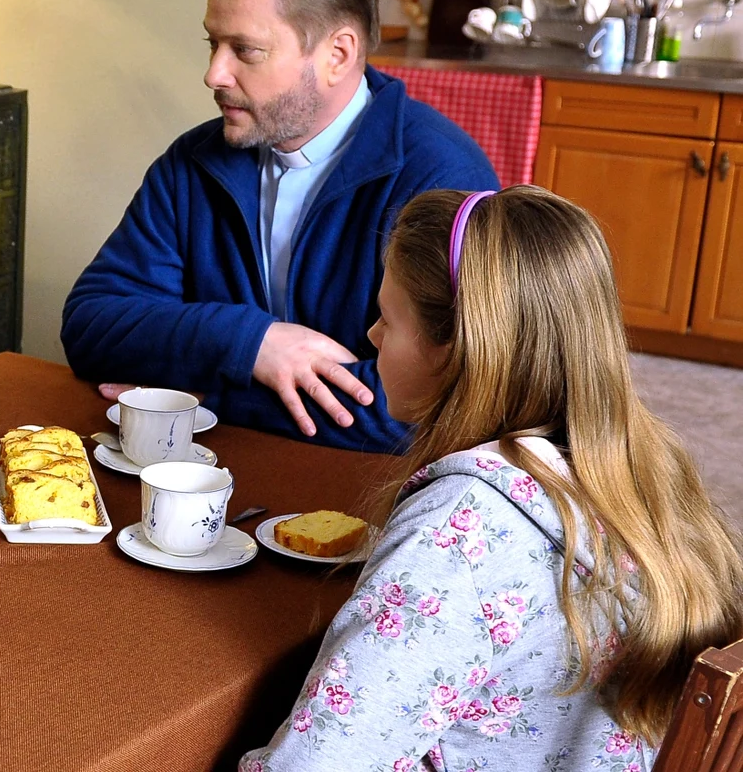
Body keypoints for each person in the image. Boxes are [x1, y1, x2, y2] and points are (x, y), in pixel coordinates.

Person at [241, 186, 743, 770]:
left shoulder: (457, 536)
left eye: (389, 318)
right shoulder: (647, 467)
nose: (373, 336)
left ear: (457, 345)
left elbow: (313, 763)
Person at [61, 0, 499, 453]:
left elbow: (447, 401)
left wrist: (207, 398)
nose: (214, 74)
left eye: (245, 51)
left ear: (337, 55)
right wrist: (251, 343)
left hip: (374, 501)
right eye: (213, 44)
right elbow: (92, 326)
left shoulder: (443, 178)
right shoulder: (194, 161)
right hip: (201, 478)